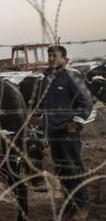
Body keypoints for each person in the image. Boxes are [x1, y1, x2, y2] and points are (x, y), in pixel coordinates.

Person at [42, 45, 93, 220]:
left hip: (67, 132)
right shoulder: (47, 77)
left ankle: (82, 206)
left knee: (73, 168)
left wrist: (76, 122)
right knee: (62, 170)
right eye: (49, 56)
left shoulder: (72, 76)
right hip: (53, 131)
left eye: (54, 56)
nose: (50, 59)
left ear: (64, 58)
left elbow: (86, 102)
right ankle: (69, 204)